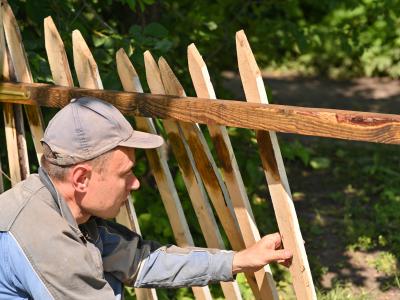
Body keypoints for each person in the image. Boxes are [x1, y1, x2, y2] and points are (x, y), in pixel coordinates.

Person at [0, 97, 293, 299]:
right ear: (81, 178)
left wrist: (239, 260)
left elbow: (142, 261)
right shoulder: (43, 239)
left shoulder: (67, 212)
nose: (136, 183)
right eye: (125, 173)